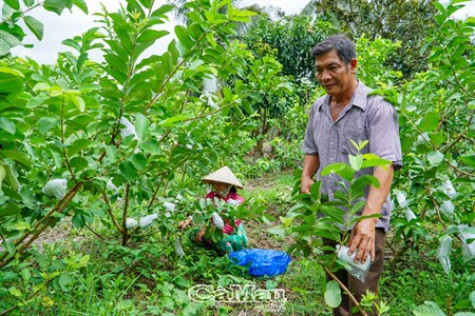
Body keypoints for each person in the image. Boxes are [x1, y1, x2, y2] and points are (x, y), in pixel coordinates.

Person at [301, 35, 402, 315]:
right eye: (319, 70)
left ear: (352, 65)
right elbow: (311, 149)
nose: (324, 76)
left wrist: (368, 222)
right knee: (336, 288)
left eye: (332, 67)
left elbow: (385, 166)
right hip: (330, 218)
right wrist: (306, 177)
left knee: (360, 295)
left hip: (363, 223)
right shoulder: (318, 108)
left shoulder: (377, 107)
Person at [178, 166, 248, 254]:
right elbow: (200, 211)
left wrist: (208, 231)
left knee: (226, 241)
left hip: (233, 234)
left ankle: (230, 259)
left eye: (220, 183)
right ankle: (213, 250)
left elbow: (231, 225)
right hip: (212, 231)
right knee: (193, 234)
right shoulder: (211, 197)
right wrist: (188, 220)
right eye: (214, 183)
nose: (216, 186)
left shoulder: (237, 200)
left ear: (229, 185)